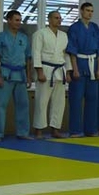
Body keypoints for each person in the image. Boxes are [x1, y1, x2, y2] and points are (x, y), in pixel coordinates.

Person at [0, 10, 32, 141]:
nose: (19, 23)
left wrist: (29, 76)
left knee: (23, 104)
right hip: (5, 73)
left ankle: (23, 132)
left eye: (20, 20)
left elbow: (28, 59)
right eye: (16, 20)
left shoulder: (24, 38)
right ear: (8, 20)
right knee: (0, 105)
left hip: (20, 74)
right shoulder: (1, 37)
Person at [66, 2, 99, 137]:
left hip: (93, 64)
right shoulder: (74, 28)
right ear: (81, 11)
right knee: (76, 99)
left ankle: (90, 129)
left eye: (92, 11)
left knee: (93, 98)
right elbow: (72, 51)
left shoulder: (95, 28)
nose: (90, 13)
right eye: (87, 10)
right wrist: (74, 69)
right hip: (79, 63)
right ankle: (75, 130)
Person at [32, 10, 69, 138]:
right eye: (56, 18)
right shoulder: (40, 33)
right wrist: (39, 71)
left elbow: (66, 54)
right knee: (41, 102)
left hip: (60, 71)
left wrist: (68, 71)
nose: (59, 20)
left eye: (60, 18)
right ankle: (39, 129)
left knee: (59, 103)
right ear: (49, 19)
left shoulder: (64, 35)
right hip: (45, 69)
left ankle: (55, 129)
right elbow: (36, 53)